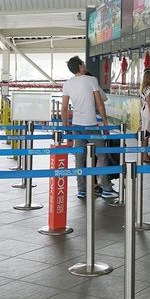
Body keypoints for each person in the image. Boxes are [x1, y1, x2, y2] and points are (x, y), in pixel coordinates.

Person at [61, 56, 118, 200]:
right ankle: (106, 188)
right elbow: (100, 103)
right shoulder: (91, 80)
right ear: (80, 66)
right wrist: (105, 122)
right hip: (91, 124)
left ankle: (82, 189)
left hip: (76, 125)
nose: (85, 64)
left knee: (80, 158)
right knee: (102, 155)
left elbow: (64, 108)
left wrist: (65, 126)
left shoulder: (67, 84)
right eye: (83, 63)